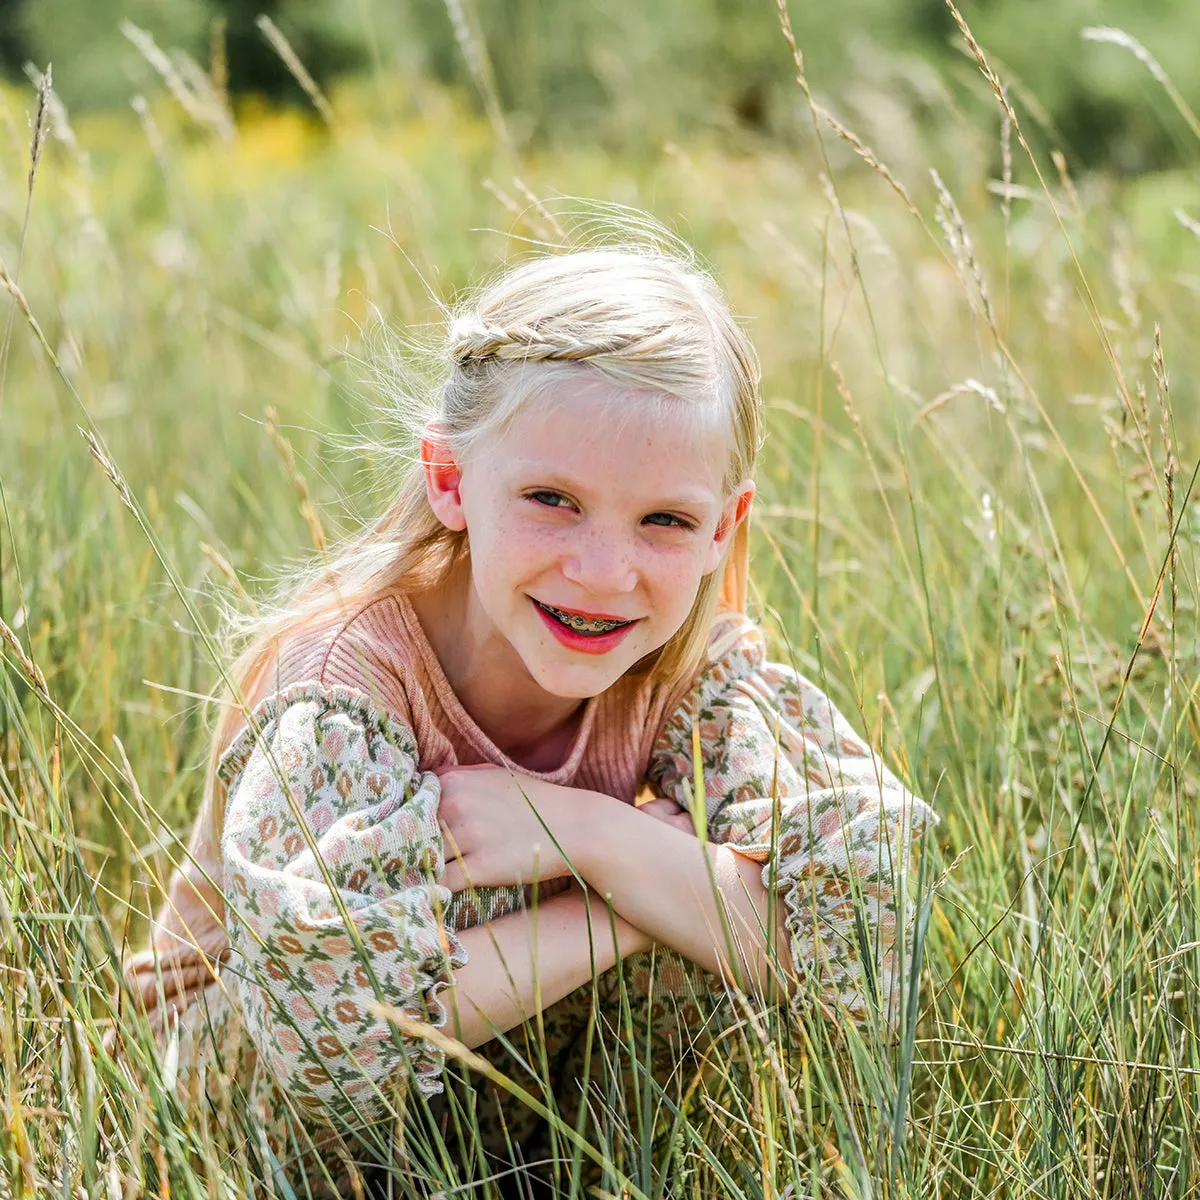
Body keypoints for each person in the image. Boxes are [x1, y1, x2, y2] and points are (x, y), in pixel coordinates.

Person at [117, 239, 935, 1196]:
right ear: (452, 481)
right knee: (703, 898)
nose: (601, 571)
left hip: (519, 1104)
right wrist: (620, 907)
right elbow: (334, 1043)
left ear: (723, 525)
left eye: (664, 521)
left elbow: (873, 951)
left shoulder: (685, 674)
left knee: (733, 949)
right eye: (553, 500)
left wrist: (586, 832)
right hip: (258, 1123)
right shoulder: (345, 688)